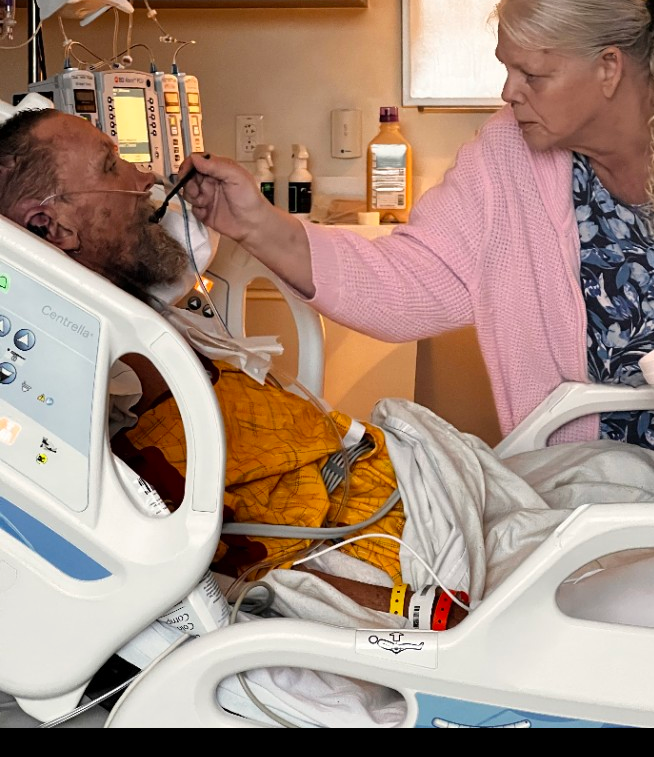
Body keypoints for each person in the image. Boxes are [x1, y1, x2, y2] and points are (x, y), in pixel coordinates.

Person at [178, 0, 654, 469]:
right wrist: (255, 223)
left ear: (608, 68)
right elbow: (408, 280)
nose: (508, 92)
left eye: (532, 74)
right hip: (602, 479)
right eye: (507, 69)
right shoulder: (506, 155)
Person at [0, 106, 467, 630]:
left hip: (396, 478)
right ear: (48, 225)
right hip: (390, 549)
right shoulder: (91, 395)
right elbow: (229, 573)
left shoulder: (138, 315)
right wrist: (414, 608)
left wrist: (244, 217)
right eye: (112, 165)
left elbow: (185, 255)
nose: (146, 177)